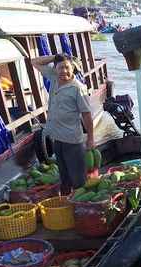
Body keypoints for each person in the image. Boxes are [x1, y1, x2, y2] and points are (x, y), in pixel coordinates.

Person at [32, 54, 95, 194]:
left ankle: (81, 208)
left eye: (67, 67)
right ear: (55, 69)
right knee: (64, 179)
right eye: (60, 67)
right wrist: (55, 57)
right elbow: (34, 62)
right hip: (57, 138)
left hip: (72, 140)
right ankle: (66, 204)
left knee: (78, 180)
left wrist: (90, 138)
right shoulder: (54, 78)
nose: (64, 71)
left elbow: (86, 114)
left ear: (72, 68)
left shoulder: (78, 88)